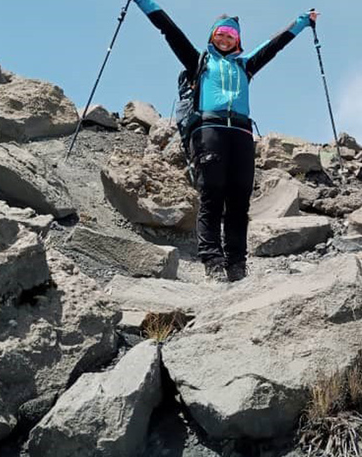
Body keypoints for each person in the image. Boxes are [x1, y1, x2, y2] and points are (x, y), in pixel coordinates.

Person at [132, 0, 319, 282]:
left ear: (237, 40)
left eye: (231, 35)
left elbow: (276, 43)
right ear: (212, 36)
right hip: (210, 131)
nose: (225, 38)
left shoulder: (246, 65)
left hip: (242, 135)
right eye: (220, 34)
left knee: (239, 201)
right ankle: (212, 260)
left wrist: (304, 20)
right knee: (212, 195)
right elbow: (169, 29)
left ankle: (237, 264)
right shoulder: (199, 61)